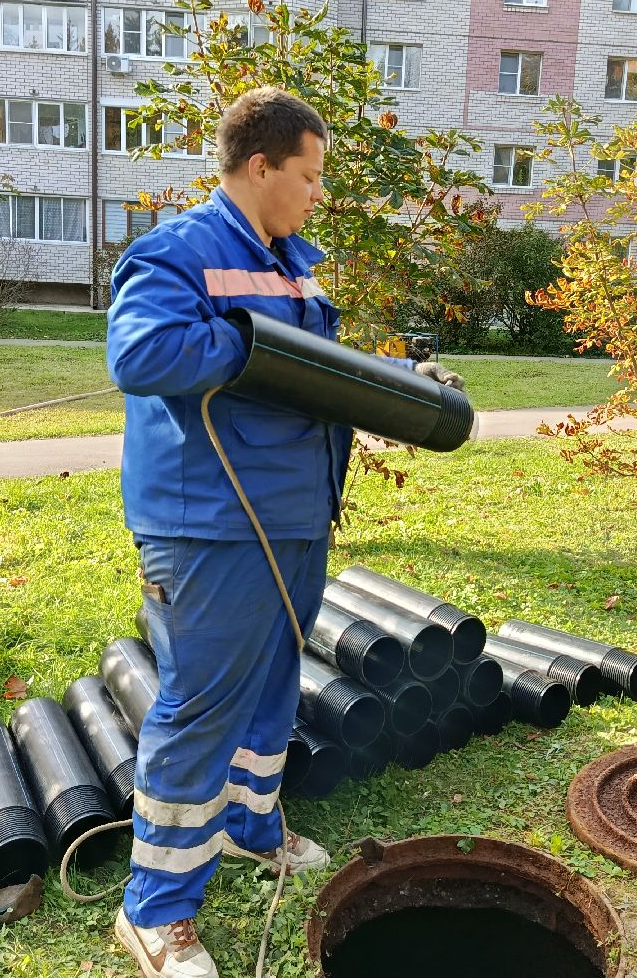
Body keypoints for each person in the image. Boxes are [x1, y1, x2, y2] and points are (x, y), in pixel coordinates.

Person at [105, 86, 462, 978]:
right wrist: (255, 354)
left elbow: (314, 367)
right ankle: (153, 914)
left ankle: (249, 828)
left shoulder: (293, 260)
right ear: (260, 166)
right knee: (199, 708)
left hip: (294, 518)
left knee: (272, 682)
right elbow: (140, 355)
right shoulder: (180, 252)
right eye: (306, 175)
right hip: (213, 526)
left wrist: (397, 380)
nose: (315, 193)